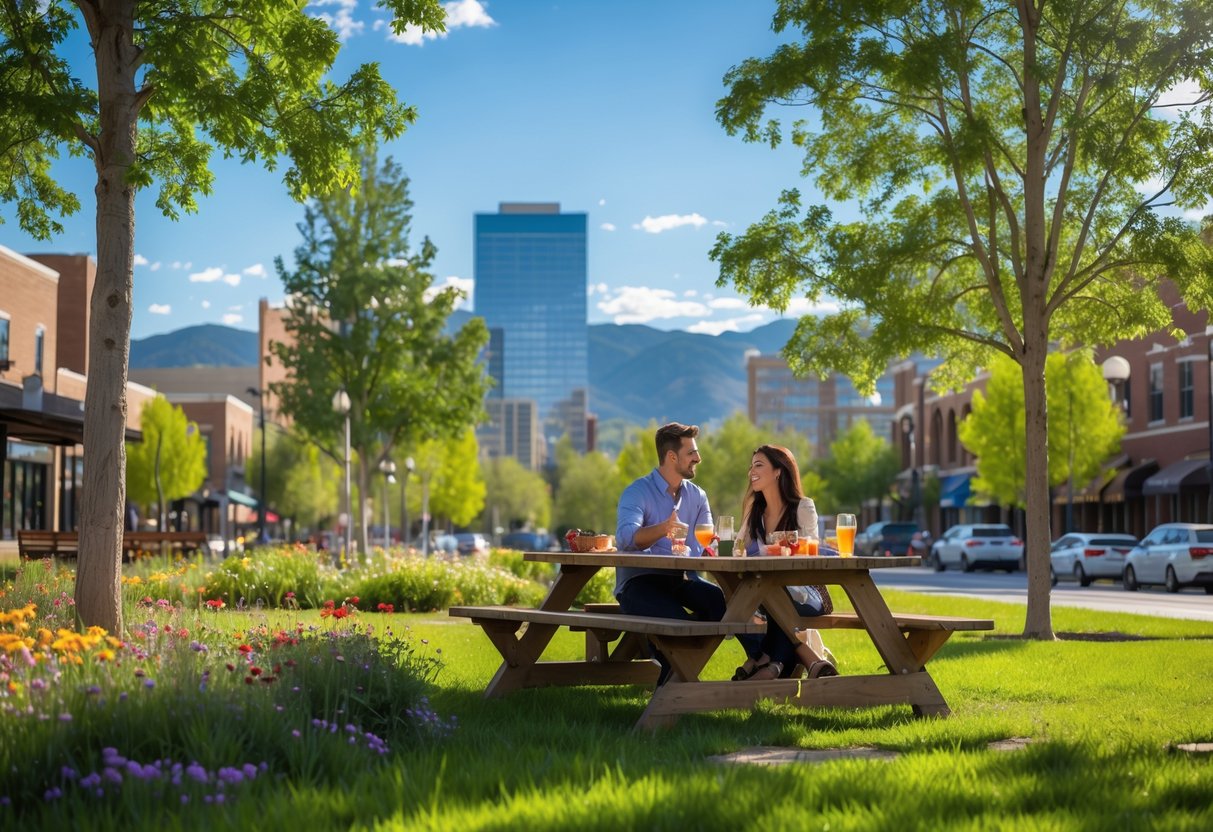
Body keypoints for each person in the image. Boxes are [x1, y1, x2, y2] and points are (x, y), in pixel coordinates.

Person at [615, 422, 741, 684]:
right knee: (676, 623)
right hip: (640, 583)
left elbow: (706, 541)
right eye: (691, 452)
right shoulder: (637, 492)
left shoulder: (697, 496)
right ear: (672, 457)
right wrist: (663, 528)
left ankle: (764, 666)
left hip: (682, 579)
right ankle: (672, 685)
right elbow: (626, 538)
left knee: (725, 605)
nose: (698, 458)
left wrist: (720, 547)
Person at [733, 444, 838, 681]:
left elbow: (809, 550)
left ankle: (760, 662)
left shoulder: (802, 507)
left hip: (806, 593)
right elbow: (737, 549)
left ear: (779, 471)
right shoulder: (755, 512)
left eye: (759, 465)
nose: (752, 472)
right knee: (729, 600)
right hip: (767, 594)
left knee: (768, 600)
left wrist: (784, 547)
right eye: (751, 467)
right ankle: (792, 662)